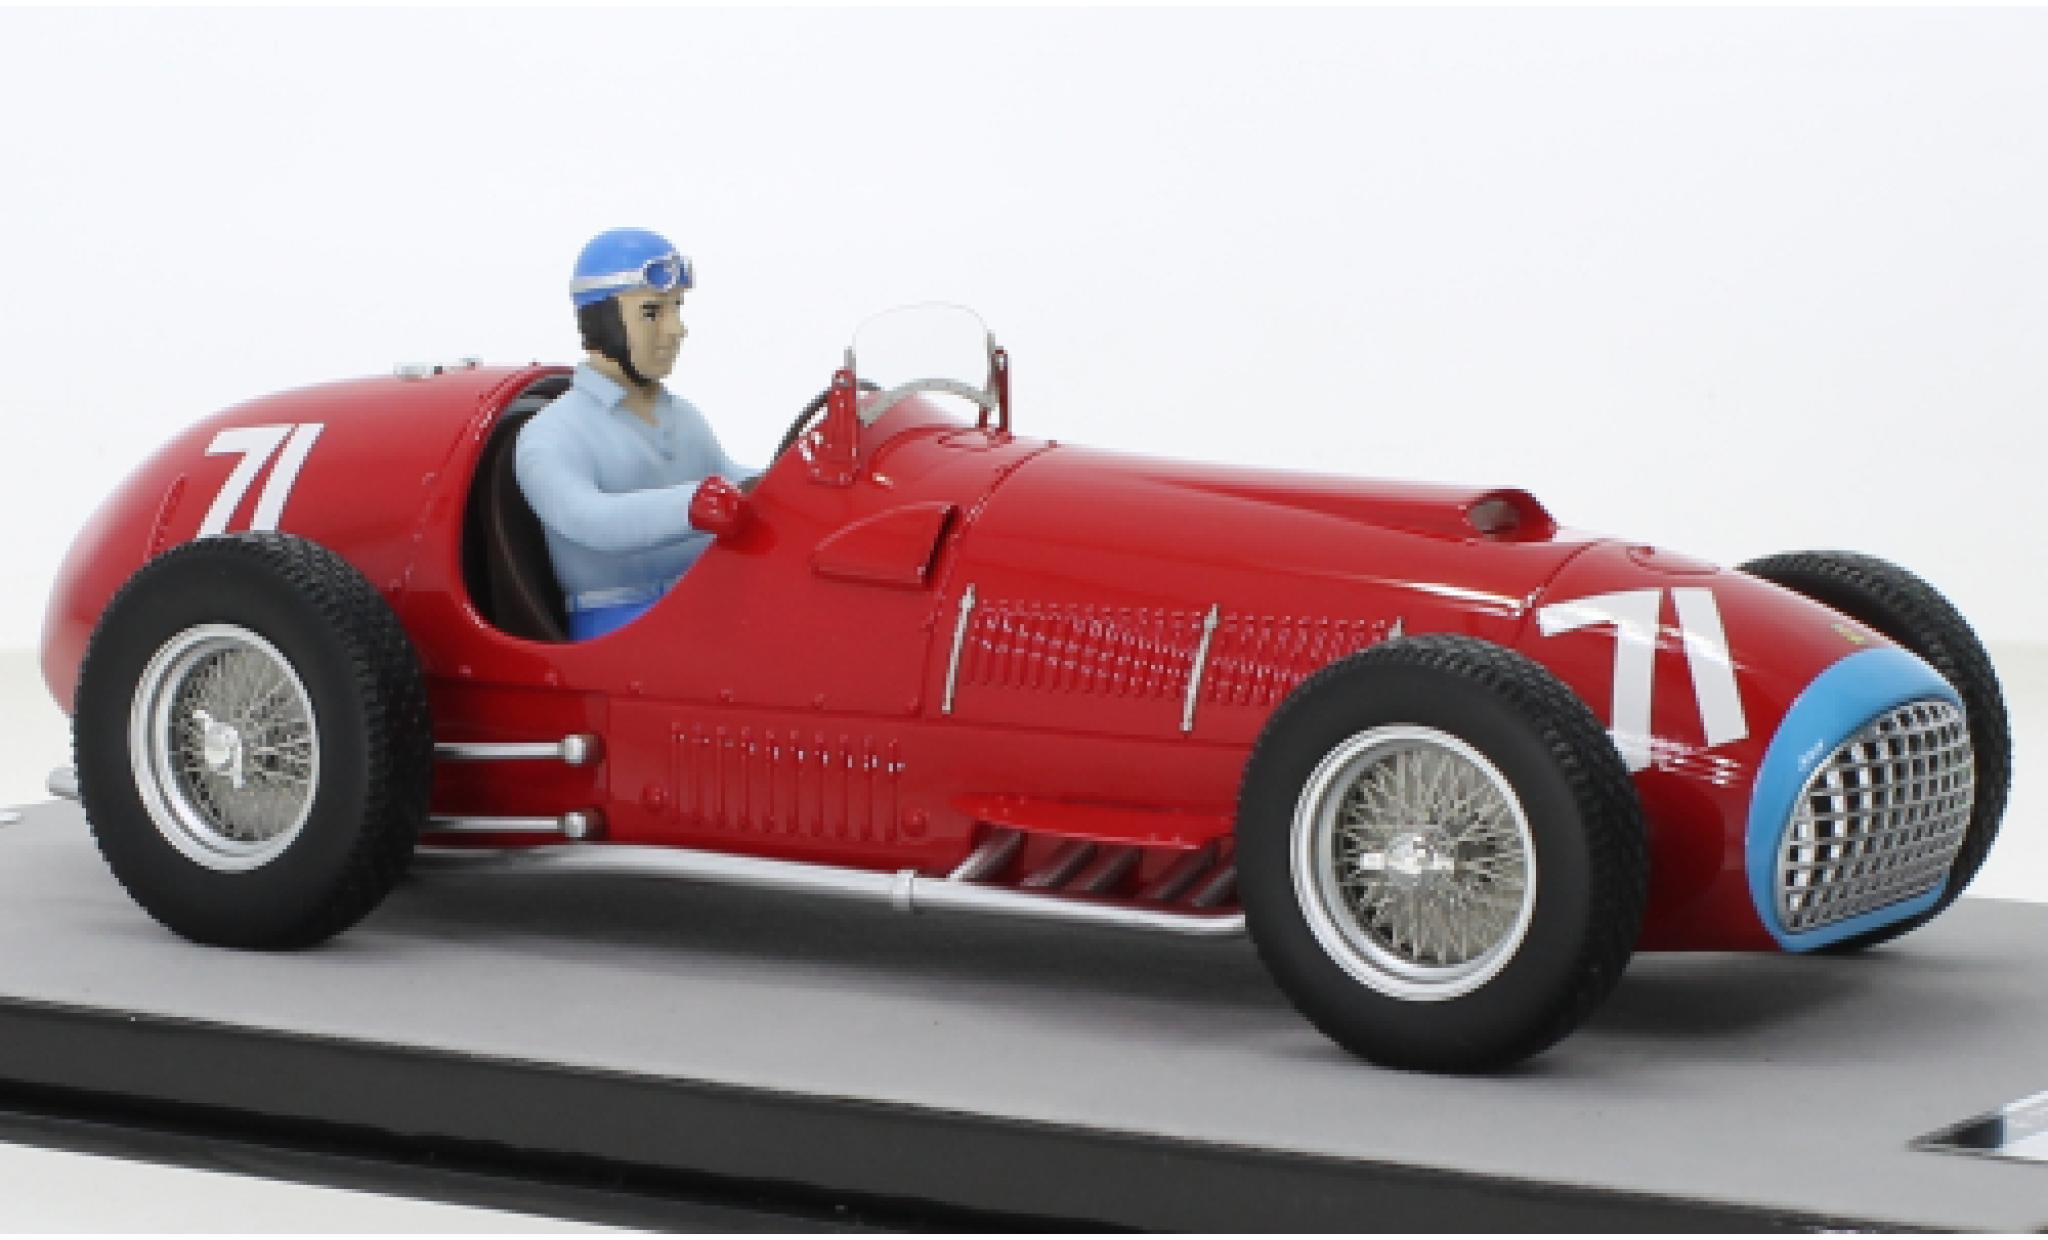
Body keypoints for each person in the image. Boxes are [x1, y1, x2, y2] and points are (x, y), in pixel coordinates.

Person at [516, 228, 755, 640]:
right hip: (616, 630)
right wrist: (692, 504)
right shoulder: (551, 435)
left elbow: (733, 477)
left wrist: (790, 475)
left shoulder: (683, 416)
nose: (676, 329)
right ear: (604, 320)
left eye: (676, 308)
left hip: (707, 602)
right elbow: (590, 518)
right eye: (652, 312)